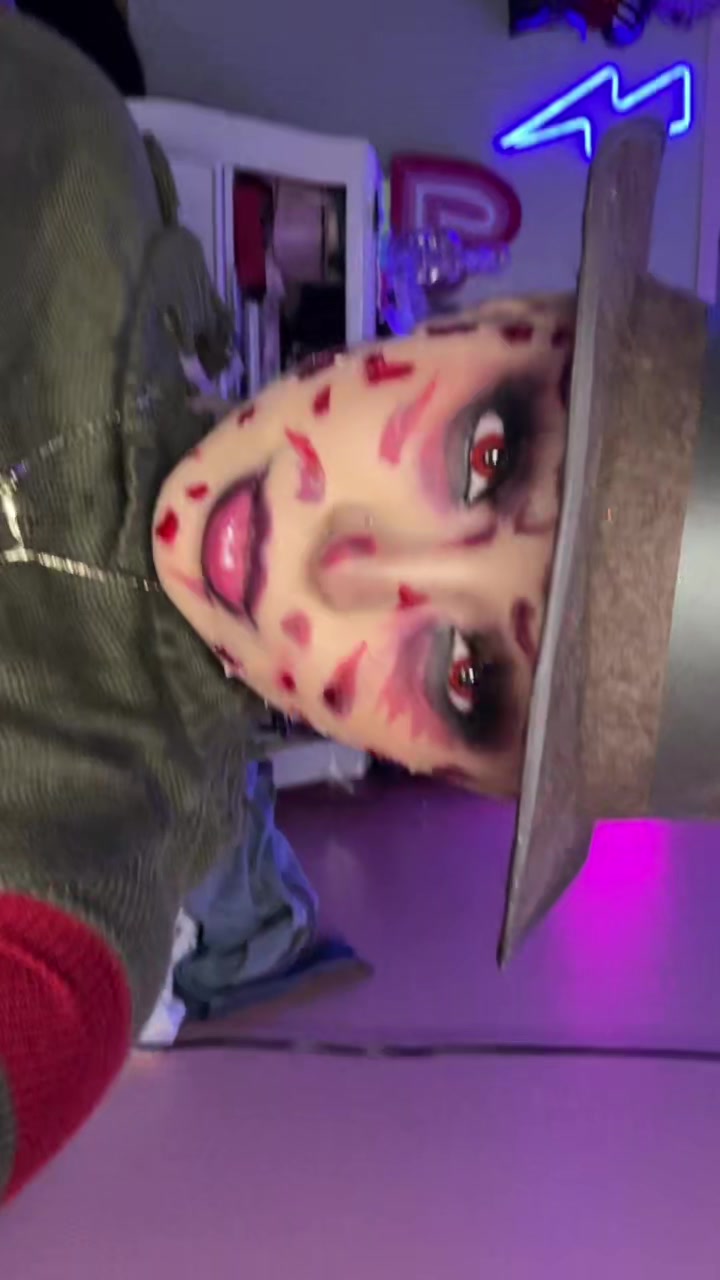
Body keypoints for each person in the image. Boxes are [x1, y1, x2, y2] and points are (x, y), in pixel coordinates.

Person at [0, 13, 714, 1205]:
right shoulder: (66, 158)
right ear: (487, 318)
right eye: (486, 456)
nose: (342, 571)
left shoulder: (72, 913)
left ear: (430, 762)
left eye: (466, 677)